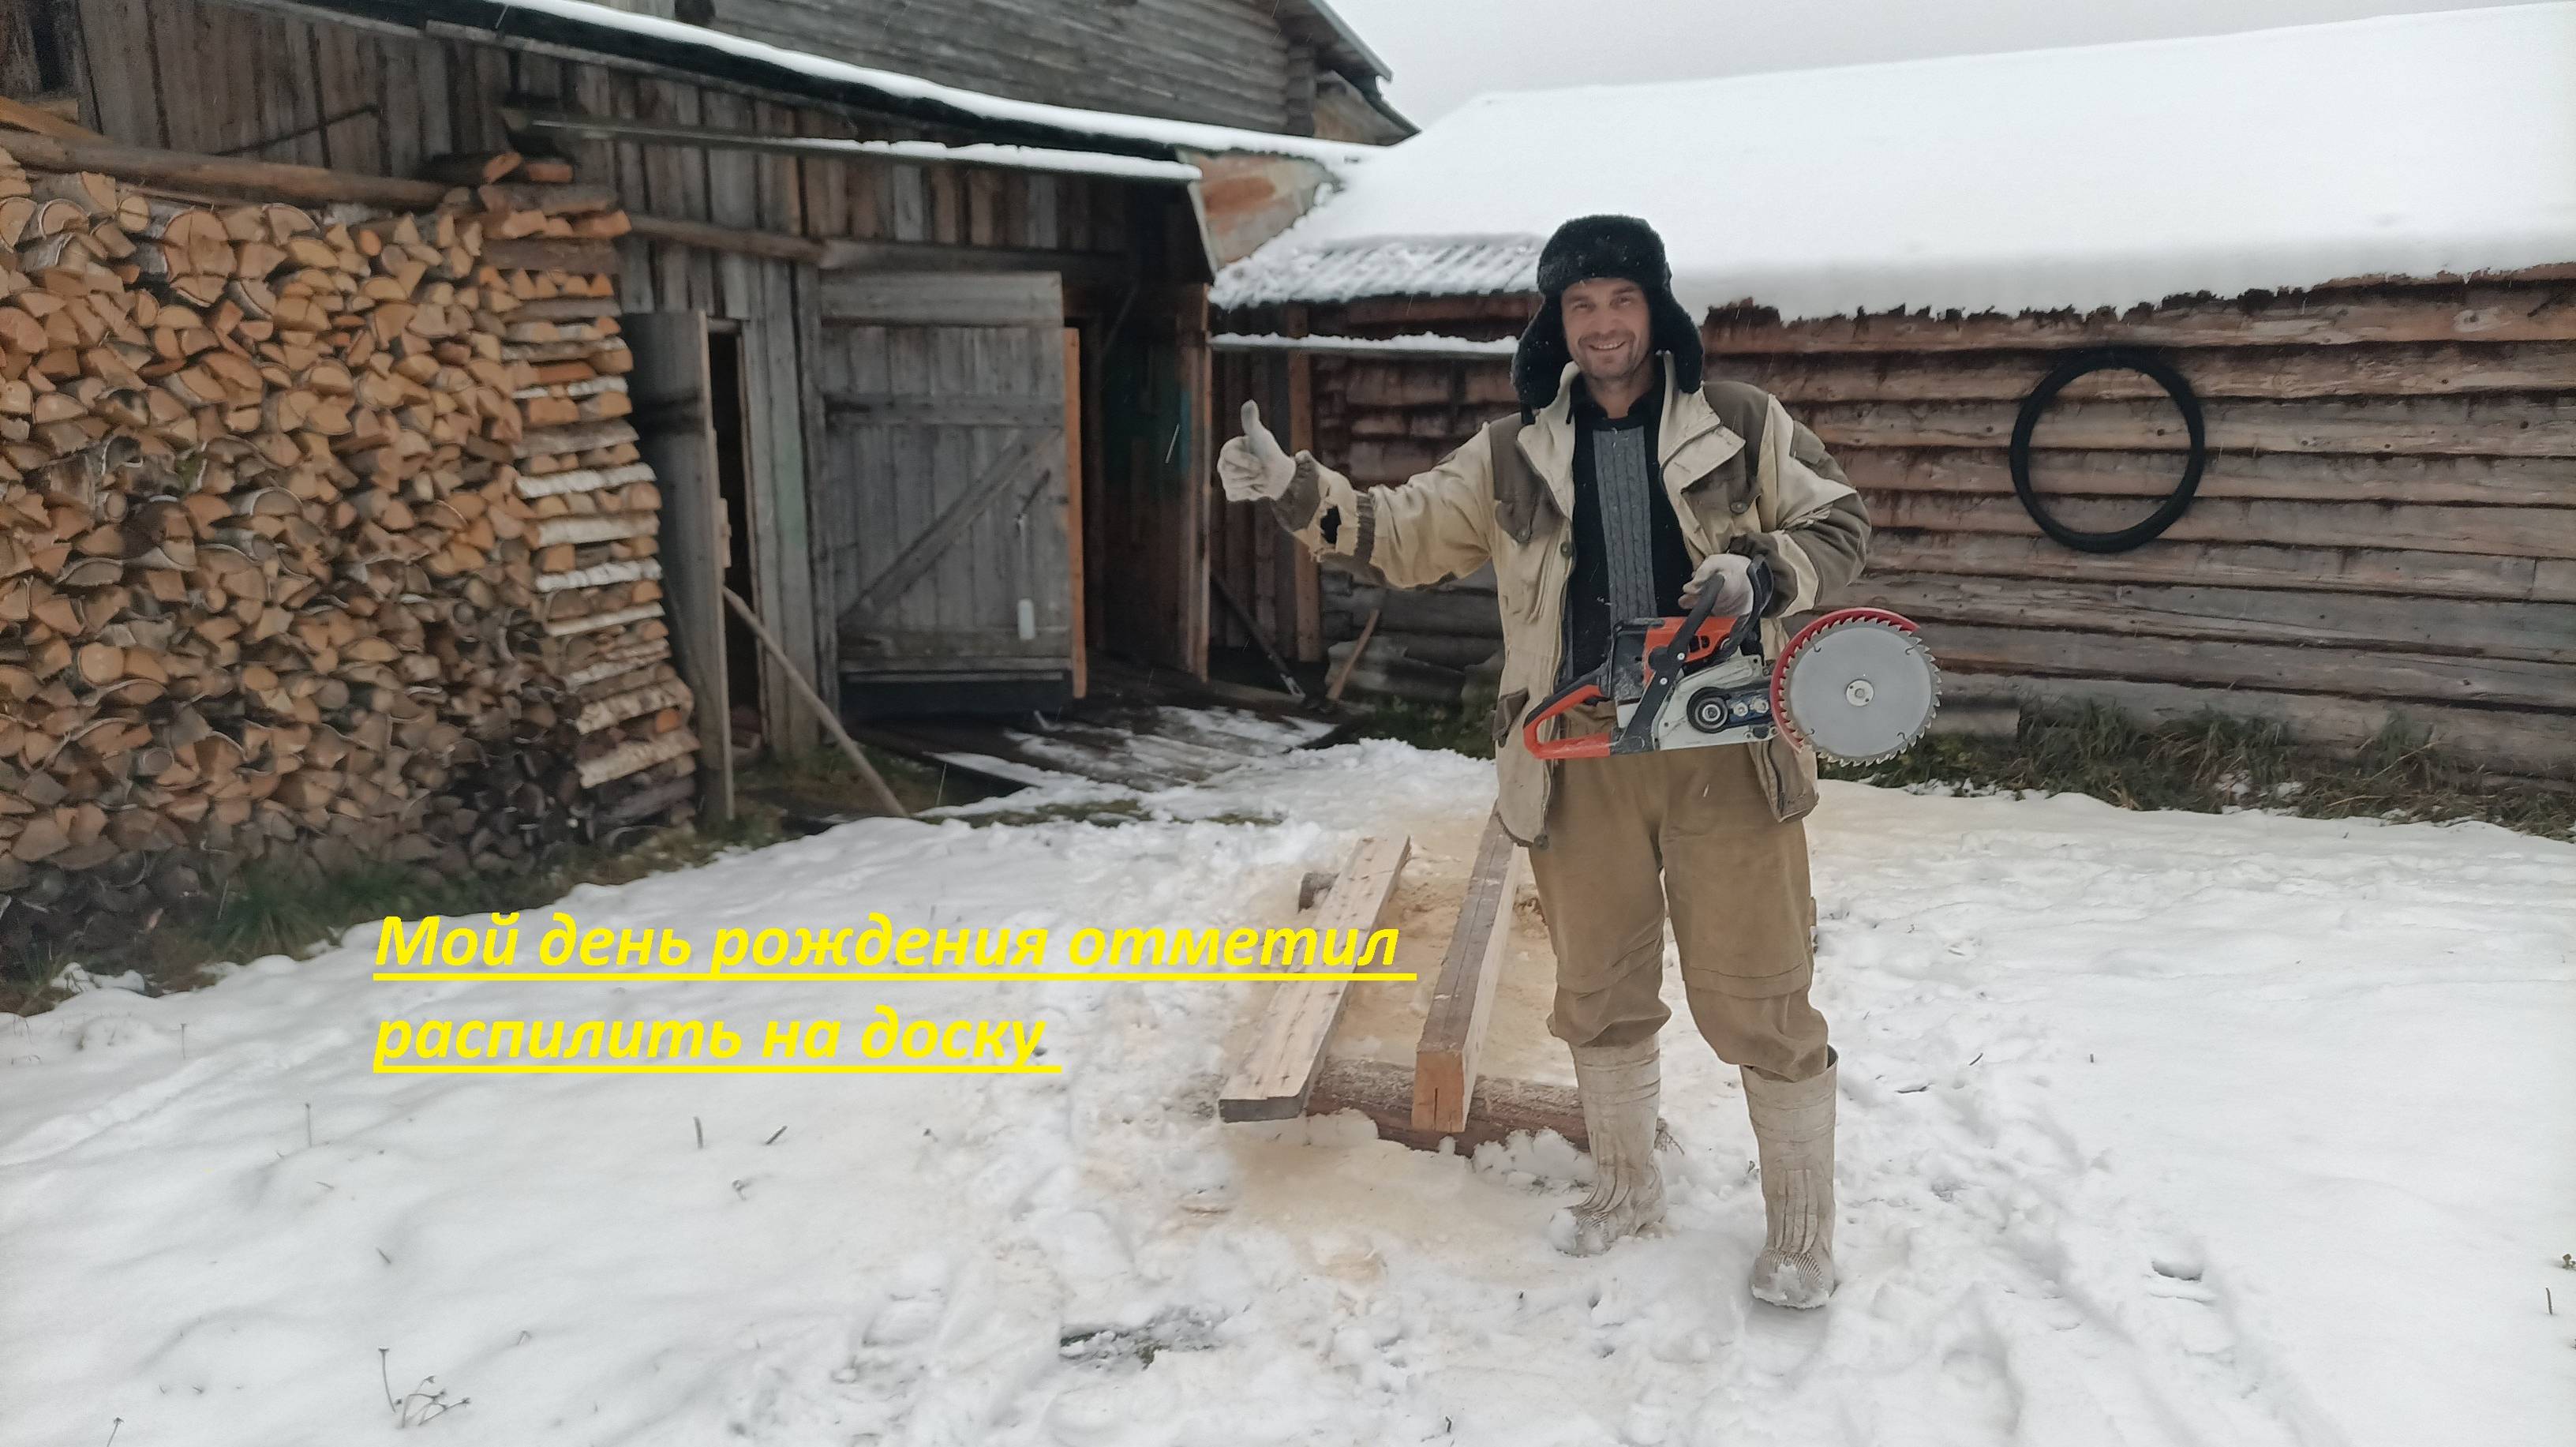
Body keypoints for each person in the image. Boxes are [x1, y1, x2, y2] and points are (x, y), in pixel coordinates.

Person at [1218, 215, 1870, 1308]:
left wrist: (1761, 571)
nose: (1605, 324)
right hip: (1576, 755)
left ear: (1654, 310)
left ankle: (1801, 1231)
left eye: (1622, 300)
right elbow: (1399, 531)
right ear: (1556, 321)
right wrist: (1298, 490)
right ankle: (1623, 1190)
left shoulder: (1744, 424)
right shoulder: (1514, 454)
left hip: (1722, 751)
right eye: (1582, 305)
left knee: (1758, 995)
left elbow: (1840, 522)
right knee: (1599, 992)